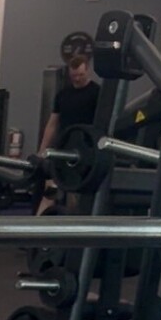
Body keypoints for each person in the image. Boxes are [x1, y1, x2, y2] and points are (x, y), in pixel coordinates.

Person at [36, 46, 100, 214]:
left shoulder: (97, 93)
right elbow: (52, 124)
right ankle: (36, 224)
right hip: (63, 147)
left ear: (88, 71)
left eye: (80, 75)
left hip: (85, 151)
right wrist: (42, 150)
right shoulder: (63, 94)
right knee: (50, 190)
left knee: (75, 195)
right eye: (74, 76)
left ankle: (73, 223)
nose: (77, 79)